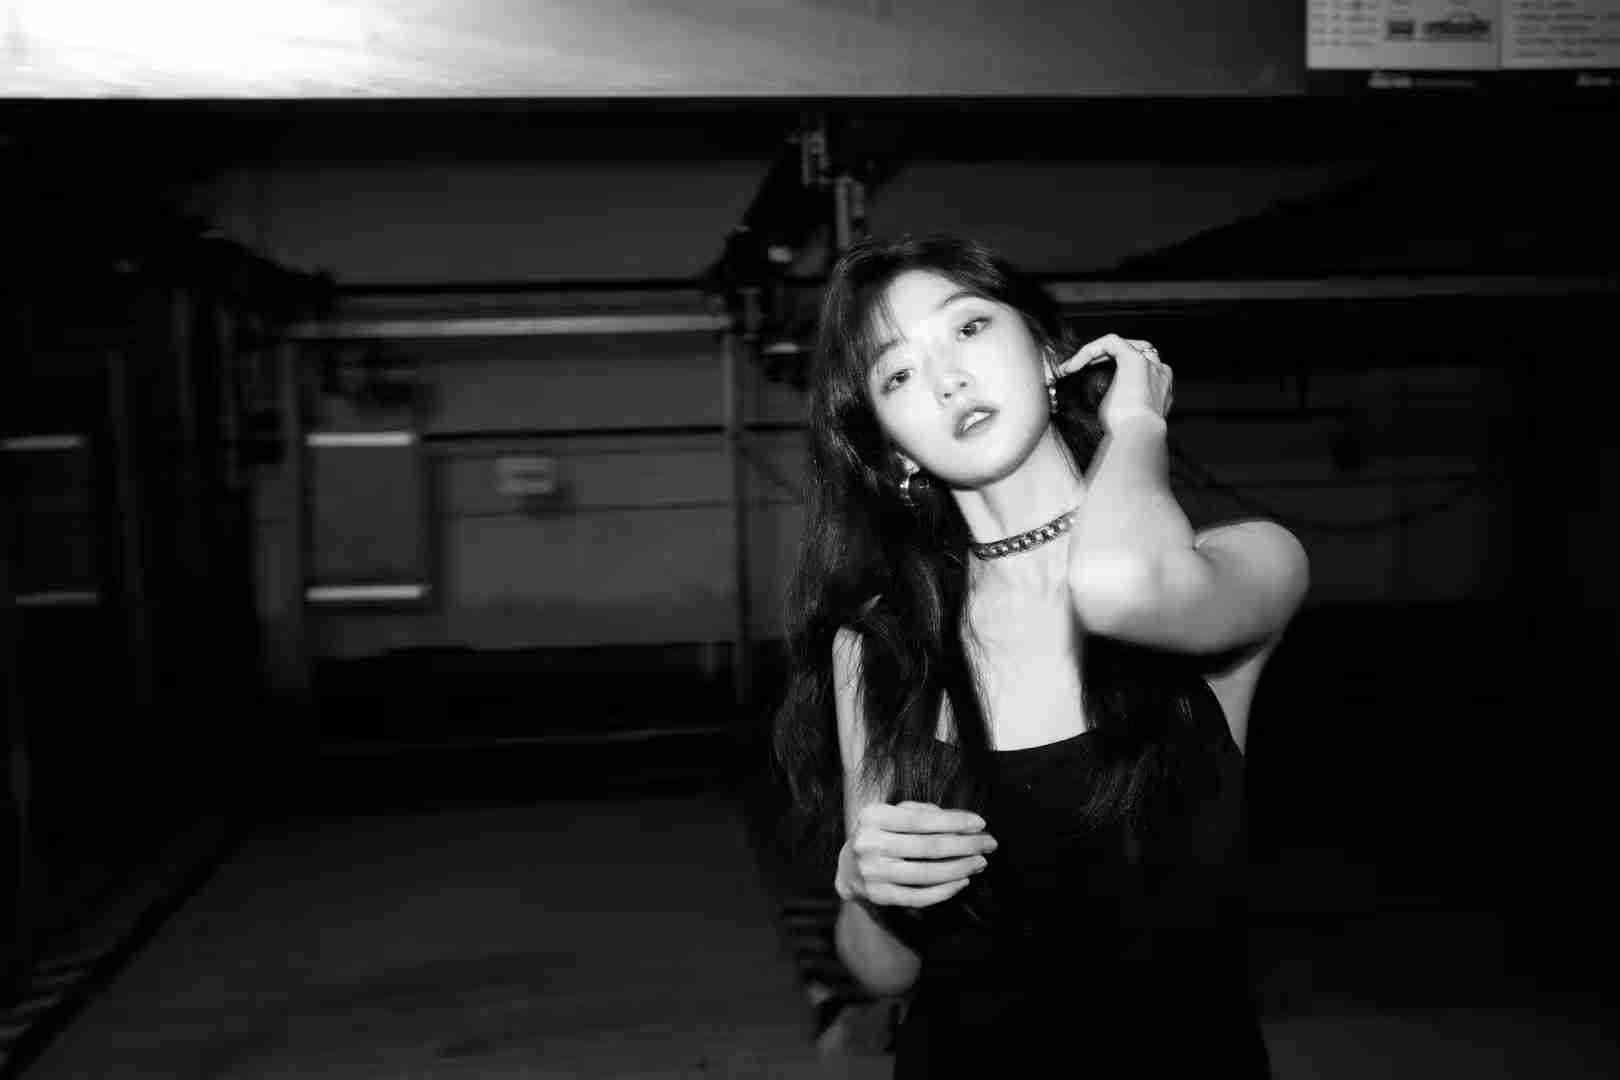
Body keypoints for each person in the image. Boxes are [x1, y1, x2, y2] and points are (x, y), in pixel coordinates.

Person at [769, 233, 1309, 1076]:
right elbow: (884, 972)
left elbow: (1120, 585)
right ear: (895, 447)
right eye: (898, 375)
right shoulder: (876, 647)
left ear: (1050, 353)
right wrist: (867, 887)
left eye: (969, 328)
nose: (947, 378)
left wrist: (1134, 424)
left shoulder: (1245, 563)